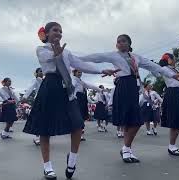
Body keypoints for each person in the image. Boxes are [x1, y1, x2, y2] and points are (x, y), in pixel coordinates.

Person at [22, 22, 115, 180]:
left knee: (78, 124)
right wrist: (57, 50)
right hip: (50, 87)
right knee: (45, 129)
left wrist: (102, 70)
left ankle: (72, 160)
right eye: (55, 30)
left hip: (67, 89)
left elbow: (81, 65)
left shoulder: (67, 52)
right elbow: (51, 58)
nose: (58, 33)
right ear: (47, 33)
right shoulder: (41, 49)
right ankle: (47, 167)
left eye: (60, 31)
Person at [79, 34, 174, 162]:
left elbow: (153, 66)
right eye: (118, 42)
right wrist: (75, 58)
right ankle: (127, 150)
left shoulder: (136, 57)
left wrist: (172, 75)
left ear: (129, 43)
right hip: (123, 86)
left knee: (134, 121)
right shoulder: (114, 55)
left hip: (133, 88)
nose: (120, 43)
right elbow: (96, 57)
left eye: (123, 41)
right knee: (130, 121)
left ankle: (126, 148)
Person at [159, 53, 179, 156]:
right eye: (173, 58)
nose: (175, 60)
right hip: (172, 93)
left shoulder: (174, 69)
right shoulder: (165, 68)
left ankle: (173, 145)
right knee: (175, 119)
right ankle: (171, 146)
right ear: (168, 59)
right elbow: (175, 77)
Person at [72, 69, 101, 141]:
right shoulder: (74, 79)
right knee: (79, 116)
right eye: (78, 72)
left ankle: (80, 133)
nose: (80, 74)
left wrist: (99, 89)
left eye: (81, 72)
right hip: (78, 98)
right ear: (74, 73)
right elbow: (72, 87)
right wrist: (74, 96)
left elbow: (88, 85)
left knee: (81, 116)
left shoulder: (80, 81)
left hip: (82, 98)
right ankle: (78, 134)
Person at [22, 67, 44, 145]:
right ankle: (37, 137)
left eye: (42, 71)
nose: (42, 72)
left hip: (47, 101)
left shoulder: (46, 80)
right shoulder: (35, 80)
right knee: (38, 118)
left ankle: (43, 137)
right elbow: (30, 88)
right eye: (40, 71)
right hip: (39, 100)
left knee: (45, 119)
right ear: (36, 73)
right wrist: (25, 96)